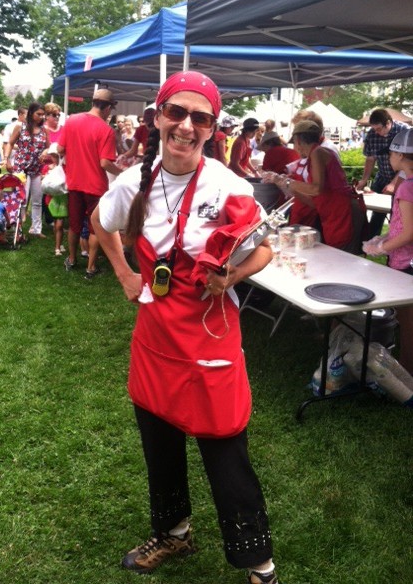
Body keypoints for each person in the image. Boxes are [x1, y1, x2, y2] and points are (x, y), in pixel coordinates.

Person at [92, 71, 279, 584]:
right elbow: (100, 222)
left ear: (212, 129)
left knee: (225, 448)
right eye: (176, 113)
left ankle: (259, 566)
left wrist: (231, 276)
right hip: (155, 338)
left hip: (209, 337)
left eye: (201, 118)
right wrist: (125, 274)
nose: (186, 126)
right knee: (160, 443)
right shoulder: (135, 180)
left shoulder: (228, 185)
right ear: (157, 118)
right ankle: (174, 532)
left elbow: (265, 248)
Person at [265, 120, 364, 252]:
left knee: (342, 257)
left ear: (298, 141)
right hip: (334, 214)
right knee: (336, 255)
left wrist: (286, 181)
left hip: (343, 213)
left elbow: (316, 189)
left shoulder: (318, 152)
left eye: (294, 143)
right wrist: (285, 184)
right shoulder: (315, 155)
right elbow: (314, 202)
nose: (295, 148)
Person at [363, 128, 413, 376]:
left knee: (408, 324)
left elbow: (408, 233)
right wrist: (384, 236)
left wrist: (380, 248)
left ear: (400, 155)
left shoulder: (406, 188)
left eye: (391, 154)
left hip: (406, 263)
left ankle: (406, 372)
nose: (389, 159)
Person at [57, 89, 122, 278]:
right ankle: (91, 267)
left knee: (75, 225)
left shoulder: (72, 120)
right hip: (96, 186)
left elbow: (60, 148)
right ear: (108, 108)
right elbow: (105, 163)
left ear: (93, 102)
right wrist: (122, 173)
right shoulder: (106, 130)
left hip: (74, 182)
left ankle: (71, 259)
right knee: (96, 228)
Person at [357, 108, 409, 237]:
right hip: (382, 177)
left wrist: (393, 184)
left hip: (403, 179)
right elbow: (370, 159)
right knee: (377, 213)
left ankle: (394, 240)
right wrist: (364, 180)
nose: (376, 132)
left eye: (379, 129)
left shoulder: (405, 132)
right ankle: (372, 240)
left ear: (388, 123)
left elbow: (407, 164)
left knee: (397, 214)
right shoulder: (372, 134)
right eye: (374, 129)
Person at [5, 102, 49, 238]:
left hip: (36, 169)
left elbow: (49, 146)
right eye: (38, 114)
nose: (41, 117)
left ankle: (36, 229)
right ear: (31, 113)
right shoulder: (21, 127)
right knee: (21, 199)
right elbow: (10, 143)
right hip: (21, 168)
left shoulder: (44, 130)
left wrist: (46, 151)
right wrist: (7, 159)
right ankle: (17, 228)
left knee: (37, 200)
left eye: (43, 114)